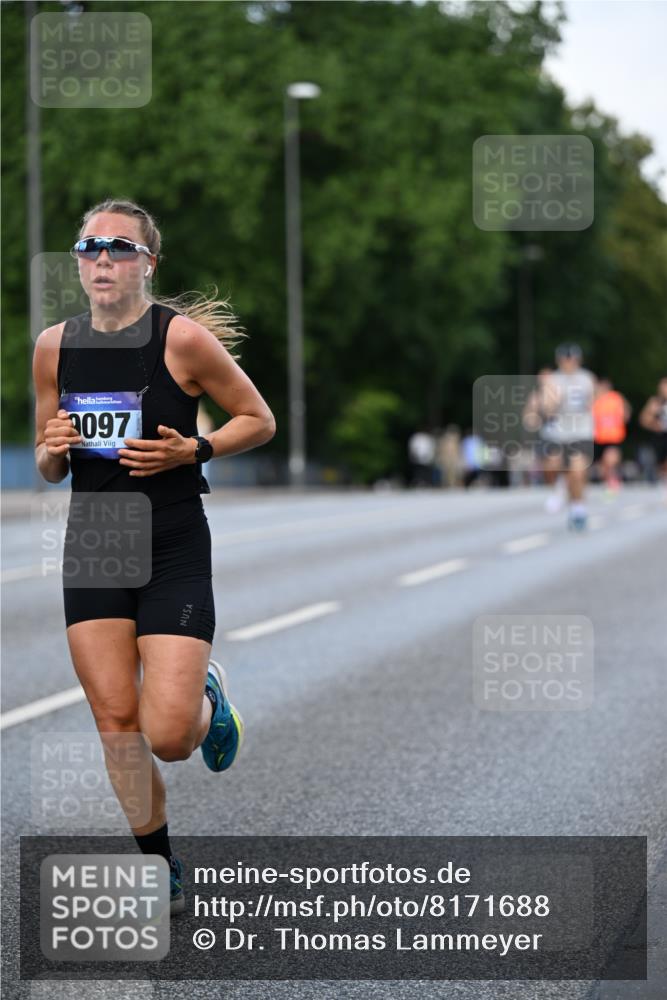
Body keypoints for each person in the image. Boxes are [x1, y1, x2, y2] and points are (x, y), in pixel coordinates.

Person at [32, 199, 276, 914]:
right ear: (78, 263)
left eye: (120, 247)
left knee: (167, 736)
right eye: (90, 248)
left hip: (171, 539)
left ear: (148, 263)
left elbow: (258, 419)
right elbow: (50, 462)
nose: (103, 259)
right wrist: (52, 450)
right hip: (95, 542)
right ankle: (161, 864)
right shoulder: (53, 347)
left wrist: (194, 448)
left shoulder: (183, 341)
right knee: (116, 721)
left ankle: (207, 697)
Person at [538, 344, 596, 530]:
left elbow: (594, 403)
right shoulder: (551, 380)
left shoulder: (587, 379)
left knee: (578, 473)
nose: (569, 363)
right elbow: (545, 410)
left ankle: (578, 509)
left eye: (572, 360)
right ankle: (561, 486)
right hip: (558, 433)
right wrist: (552, 401)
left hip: (580, 432)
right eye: (565, 360)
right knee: (552, 466)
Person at [592, 377, 631, 495]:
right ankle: (608, 481)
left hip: (614, 436)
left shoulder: (616, 398)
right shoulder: (593, 400)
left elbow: (626, 413)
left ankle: (613, 481)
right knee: (602, 465)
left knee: (610, 460)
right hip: (598, 438)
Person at [639, 377, 667, 495]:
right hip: (659, 437)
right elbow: (643, 420)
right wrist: (654, 421)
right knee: (661, 466)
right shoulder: (655, 402)